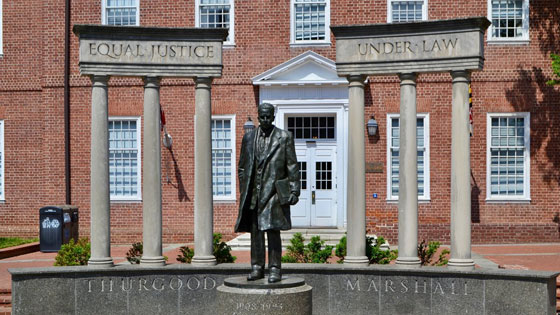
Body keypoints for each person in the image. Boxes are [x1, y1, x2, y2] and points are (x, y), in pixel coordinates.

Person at [235, 103, 300, 283]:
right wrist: (244, 187)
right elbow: (242, 167)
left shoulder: (284, 137)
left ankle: (275, 268)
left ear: (273, 117)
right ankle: (257, 267)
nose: (265, 120)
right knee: (256, 233)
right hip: (254, 193)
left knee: (273, 231)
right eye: (262, 117)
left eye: (268, 117)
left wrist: (294, 190)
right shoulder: (248, 138)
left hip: (274, 192)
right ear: (258, 116)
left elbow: (292, 166)